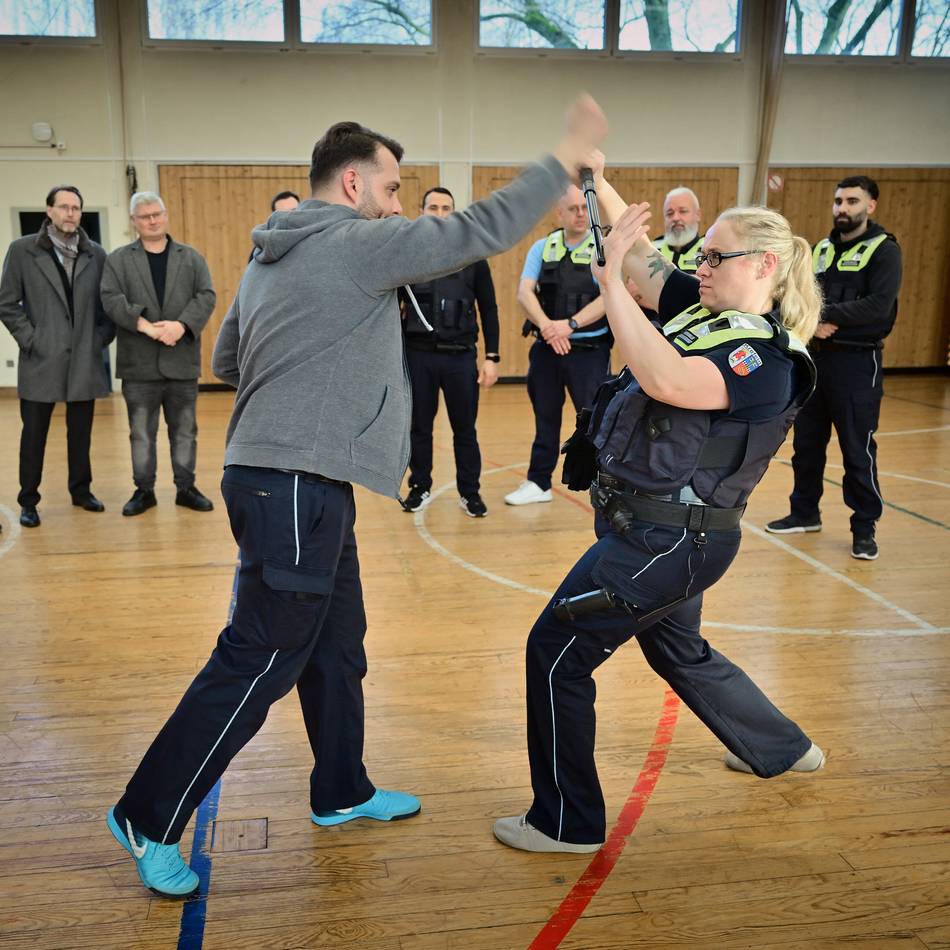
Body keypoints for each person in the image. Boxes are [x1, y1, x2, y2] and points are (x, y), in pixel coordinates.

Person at [106, 98, 608, 897]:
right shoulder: (353, 243)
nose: (399, 204)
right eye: (394, 189)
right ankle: (149, 812)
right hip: (296, 484)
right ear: (352, 185)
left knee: (337, 647)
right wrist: (564, 158)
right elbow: (478, 229)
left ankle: (341, 789)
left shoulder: (273, 254)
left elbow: (230, 355)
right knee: (265, 653)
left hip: (286, 478)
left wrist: (304, 393)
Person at [493, 155, 826, 855]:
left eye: (715, 257)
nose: (698, 267)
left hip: (669, 544)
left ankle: (566, 823)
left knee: (555, 651)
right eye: (699, 258)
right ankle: (783, 747)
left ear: (765, 266)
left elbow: (665, 376)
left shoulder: (765, 360)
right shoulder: (705, 311)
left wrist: (609, 283)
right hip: (662, 534)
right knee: (679, 650)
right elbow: (643, 258)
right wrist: (595, 182)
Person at [766, 175, 902, 560]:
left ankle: (864, 528)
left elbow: (877, 306)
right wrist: (814, 317)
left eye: (852, 201)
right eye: (839, 201)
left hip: (857, 364)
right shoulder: (820, 248)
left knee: (858, 449)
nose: (843, 208)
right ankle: (803, 512)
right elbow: (796, 293)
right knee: (806, 444)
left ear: (870, 206)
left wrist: (821, 313)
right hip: (815, 360)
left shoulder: (884, 250)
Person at [0, 185, 114, 528]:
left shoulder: (96, 253)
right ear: (49, 210)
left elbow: (108, 305)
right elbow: (6, 303)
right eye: (63, 207)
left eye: (76, 207)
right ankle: (28, 500)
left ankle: (81, 491)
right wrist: (31, 339)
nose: (70, 213)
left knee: (81, 433)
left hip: (84, 358)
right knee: (33, 435)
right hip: (41, 359)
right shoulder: (22, 251)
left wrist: (98, 341)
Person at [100, 191, 217, 516]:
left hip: (181, 362)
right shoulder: (119, 259)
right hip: (139, 366)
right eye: (145, 216)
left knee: (184, 431)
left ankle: (186, 487)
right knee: (140, 433)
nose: (152, 220)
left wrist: (180, 326)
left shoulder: (191, 257)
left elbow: (206, 295)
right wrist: (147, 327)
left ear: (165, 216)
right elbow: (110, 298)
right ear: (134, 222)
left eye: (157, 214)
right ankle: (144, 490)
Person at [504, 185, 611, 507]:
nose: (580, 214)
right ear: (559, 213)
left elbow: (610, 296)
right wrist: (550, 329)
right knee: (545, 419)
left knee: (593, 421)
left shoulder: (601, 249)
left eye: (584, 208)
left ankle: (602, 482)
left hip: (589, 353)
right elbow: (525, 293)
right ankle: (539, 483)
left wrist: (570, 325)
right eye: (573, 208)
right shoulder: (542, 247)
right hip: (547, 350)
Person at [400, 186, 500, 517]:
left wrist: (492, 357)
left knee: (465, 430)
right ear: (422, 211)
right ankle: (420, 486)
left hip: (460, 357)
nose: (440, 213)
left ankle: (469, 492)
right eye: (433, 207)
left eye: (447, 208)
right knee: (419, 427)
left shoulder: (472, 257)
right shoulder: (408, 256)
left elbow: (489, 309)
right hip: (418, 356)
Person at [653, 186, 704, 272]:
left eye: (683, 211)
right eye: (670, 213)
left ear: (698, 215)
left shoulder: (708, 250)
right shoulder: (652, 250)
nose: (675, 218)